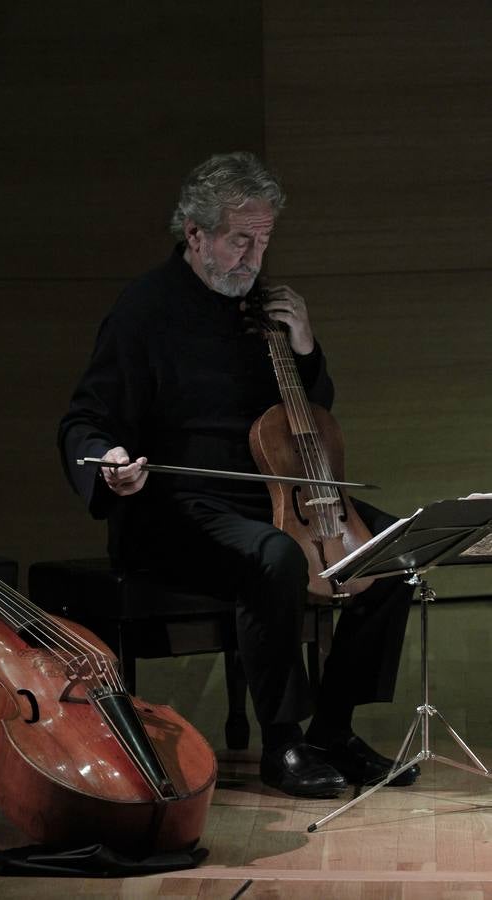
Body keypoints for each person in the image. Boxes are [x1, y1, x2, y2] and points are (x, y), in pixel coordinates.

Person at [58, 151, 419, 798]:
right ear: (194, 235)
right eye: (238, 241)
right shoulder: (143, 312)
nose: (252, 258)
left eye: (263, 241)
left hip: (275, 498)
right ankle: (283, 740)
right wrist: (109, 464)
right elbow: (85, 422)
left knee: (392, 554)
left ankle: (332, 729)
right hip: (176, 511)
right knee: (274, 557)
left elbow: (309, 417)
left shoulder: (261, 311)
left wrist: (306, 350)